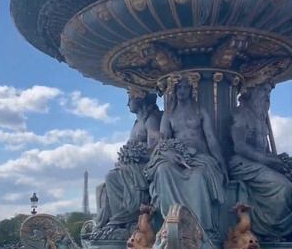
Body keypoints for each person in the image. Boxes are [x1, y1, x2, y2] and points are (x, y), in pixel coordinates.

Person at [146, 76, 227, 237]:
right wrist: (170, 154)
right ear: (175, 91)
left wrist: (221, 163)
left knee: (197, 177)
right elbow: (163, 140)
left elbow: (211, 139)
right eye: (179, 88)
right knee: (162, 170)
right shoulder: (169, 114)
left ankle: (200, 228)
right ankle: (170, 223)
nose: (182, 91)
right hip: (176, 156)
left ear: (191, 90)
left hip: (200, 156)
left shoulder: (200, 111)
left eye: (185, 88)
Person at [229, 81, 292, 239]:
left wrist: (277, 159)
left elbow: (263, 149)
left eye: (268, 94)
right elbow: (239, 147)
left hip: (258, 162)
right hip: (241, 164)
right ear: (251, 94)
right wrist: (266, 160)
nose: (266, 98)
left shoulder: (260, 118)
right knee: (283, 187)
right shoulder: (241, 114)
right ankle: (272, 230)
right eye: (263, 93)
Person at [94, 90, 162, 236]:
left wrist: (135, 156)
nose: (127, 103)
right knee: (101, 187)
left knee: (111, 177)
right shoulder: (138, 122)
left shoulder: (151, 119)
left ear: (139, 98)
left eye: (129, 98)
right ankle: (112, 221)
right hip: (133, 165)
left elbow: (155, 146)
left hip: (146, 165)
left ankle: (122, 221)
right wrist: (126, 158)